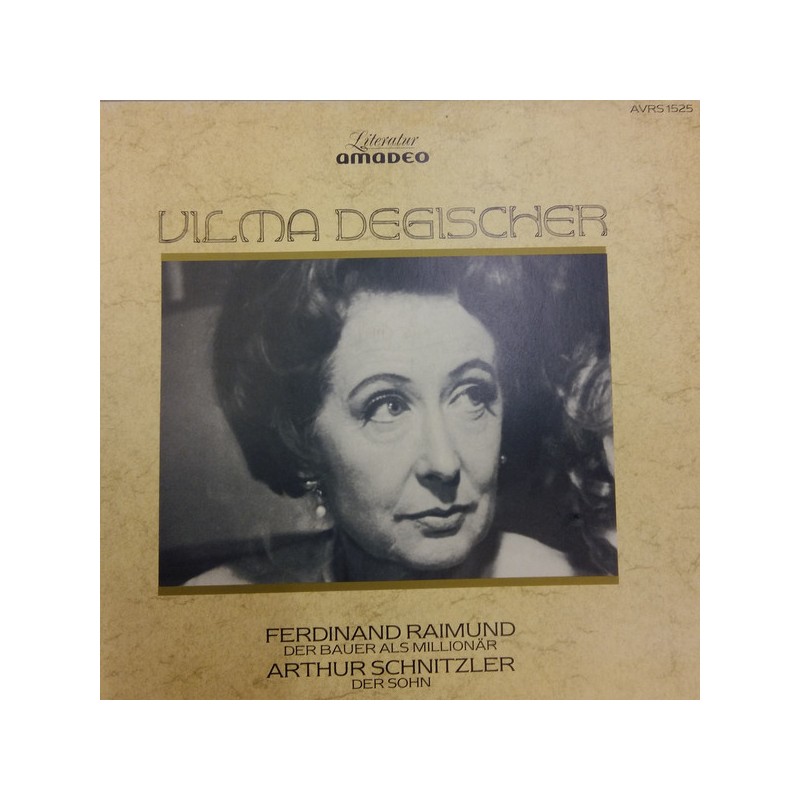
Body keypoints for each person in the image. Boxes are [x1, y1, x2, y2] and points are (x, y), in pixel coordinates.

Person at [184, 256, 612, 585]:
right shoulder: (217, 609)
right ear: (302, 443)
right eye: (387, 406)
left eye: (472, 395)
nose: (443, 463)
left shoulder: (571, 595)